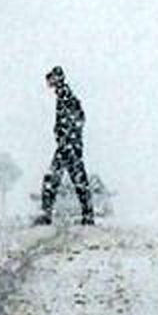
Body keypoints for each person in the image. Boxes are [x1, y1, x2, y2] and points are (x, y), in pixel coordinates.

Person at [34, 66, 94, 226]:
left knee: (55, 180)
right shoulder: (64, 95)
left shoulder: (66, 95)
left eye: (51, 79)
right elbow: (78, 118)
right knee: (75, 181)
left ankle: (47, 215)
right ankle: (87, 216)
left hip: (68, 147)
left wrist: (66, 136)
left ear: (57, 79)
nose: (49, 83)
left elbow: (78, 118)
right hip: (69, 145)